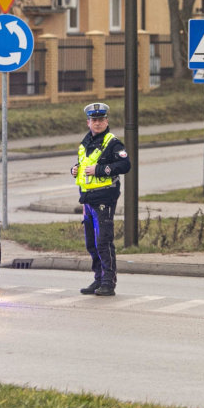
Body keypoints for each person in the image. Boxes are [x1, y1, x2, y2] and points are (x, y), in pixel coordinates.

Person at [70, 103, 132, 296]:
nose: (97, 123)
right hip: (88, 198)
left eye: (101, 120)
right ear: (88, 122)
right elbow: (84, 164)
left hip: (105, 197)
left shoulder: (113, 143)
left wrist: (100, 170)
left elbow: (125, 165)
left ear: (107, 121)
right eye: (94, 120)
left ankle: (108, 282)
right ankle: (98, 279)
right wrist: (75, 169)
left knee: (103, 240)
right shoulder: (86, 142)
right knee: (91, 242)